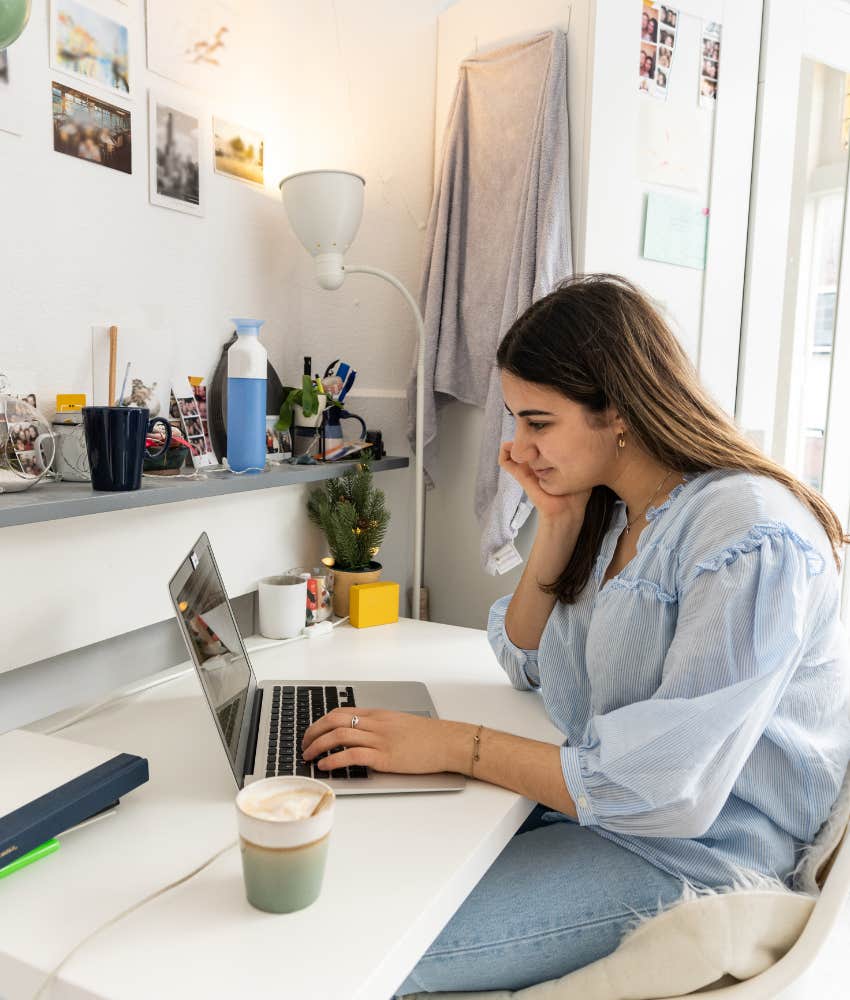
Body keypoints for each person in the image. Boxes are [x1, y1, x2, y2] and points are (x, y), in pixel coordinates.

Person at [302, 275, 850, 995]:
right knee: (359, 860)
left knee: (362, 947)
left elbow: (669, 792)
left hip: (694, 852)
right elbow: (523, 658)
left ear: (616, 412)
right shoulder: (623, 509)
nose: (520, 447)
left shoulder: (747, 533)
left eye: (538, 421)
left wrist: (453, 745)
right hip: (607, 812)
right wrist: (556, 521)